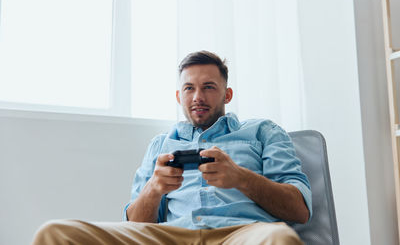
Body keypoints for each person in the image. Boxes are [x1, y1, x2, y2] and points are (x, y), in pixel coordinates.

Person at [33, 51, 312, 245]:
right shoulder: (161, 144)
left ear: (227, 94)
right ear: (179, 96)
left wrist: (240, 177)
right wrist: (155, 188)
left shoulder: (263, 132)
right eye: (189, 88)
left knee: (280, 239)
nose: (198, 97)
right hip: (170, 237)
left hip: (242, 234)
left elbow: (299, 209)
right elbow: (136, 225)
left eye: (209, 87)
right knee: (55, 234)